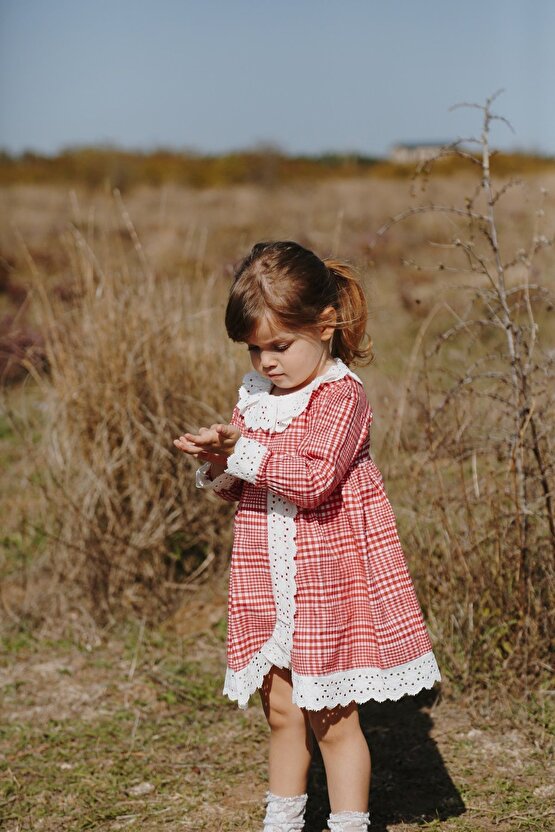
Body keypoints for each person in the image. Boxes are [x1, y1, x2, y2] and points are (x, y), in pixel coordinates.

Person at [174, 241, 441, 832]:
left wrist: (244, 451)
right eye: (254, 348)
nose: (266, 361)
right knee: (281, 710)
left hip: (328, 582)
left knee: (333, 720)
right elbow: (243, 488)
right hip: (265, 579)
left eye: (279, 346)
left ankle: (348, 823)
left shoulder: (341, 396)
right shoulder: (256, 397)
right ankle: (283, 821)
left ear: (324, 325)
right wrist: (219, 458)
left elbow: (313, 481)